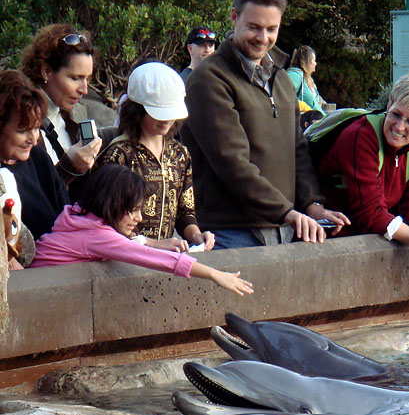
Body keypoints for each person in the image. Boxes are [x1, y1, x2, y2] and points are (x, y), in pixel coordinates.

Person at [180, 0, 349, 249]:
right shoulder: (208, 80)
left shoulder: (281, 80)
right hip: (230, 233)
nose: (263, 38)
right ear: (234, 17)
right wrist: (287, 212)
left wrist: (313, 204)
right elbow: (232, 163)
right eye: (254, 27)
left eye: (272, 29)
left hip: (285, 228)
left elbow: (298, 150)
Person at [315, 70, 409, 287]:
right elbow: (370, 213)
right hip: (330, 234)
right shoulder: (360, 136)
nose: (399, 127)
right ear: (389, 103)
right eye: (395, 114)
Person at [31, 164, 253, 296]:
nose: (138, 219)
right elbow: (154, 260)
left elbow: (127, 246)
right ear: (112, 205)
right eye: (133, 210)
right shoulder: (98, 236)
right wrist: (215, 274)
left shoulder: (77, 214)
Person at [97, 62, 214, 251]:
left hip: (166, 260)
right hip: (125, 257)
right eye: (159, 114)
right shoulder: (118, 154)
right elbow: (109, 220)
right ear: (137, 110)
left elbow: (185, 212)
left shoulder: (180, 154)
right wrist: (154, 244)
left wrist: (197, 236)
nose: (166, 120)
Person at [20, 24, 103, 187]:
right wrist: (69, 166)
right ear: (46, 71)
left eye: (88, 79)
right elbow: (31, 196)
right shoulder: (21, 122)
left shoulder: (70, 115)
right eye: (75, 78)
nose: (84, 90)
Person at [0, 69, 68, 240]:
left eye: (37, 128)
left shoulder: (37, 157)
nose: (34, 139)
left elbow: (66, 214)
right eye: (23, 131)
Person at [287, 46, 325, 115]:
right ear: (307, 61)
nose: (315, 63)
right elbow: (283, 96)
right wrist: (303, 107)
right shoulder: (295, 75)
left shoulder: (309, 80)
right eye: (314, 60)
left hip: (319, 122)